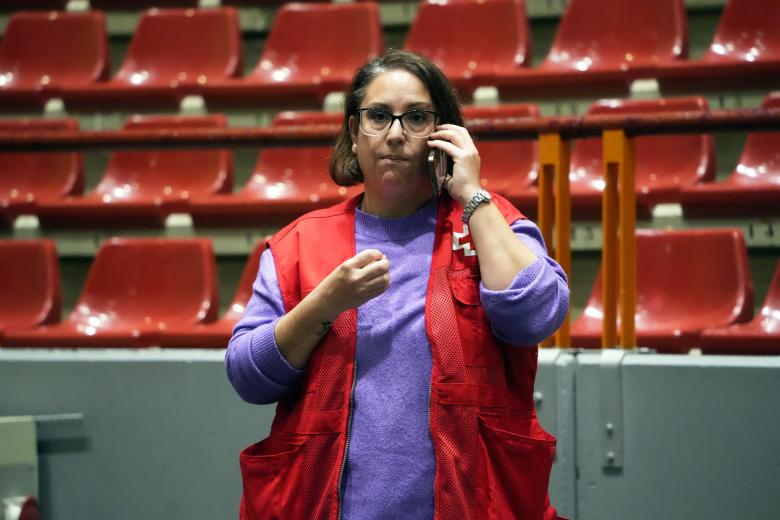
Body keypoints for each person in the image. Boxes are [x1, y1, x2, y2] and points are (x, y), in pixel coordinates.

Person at [226, 49, 569, 520]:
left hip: (472, 504)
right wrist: (325, 302)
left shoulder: (493, 223)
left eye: (416, 117)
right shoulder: (300, 243)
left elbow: (536, 315)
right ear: (354, 131)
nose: (395, 133)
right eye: (379, 116)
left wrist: (471, 194)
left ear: (443, 134)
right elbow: (248, 377)